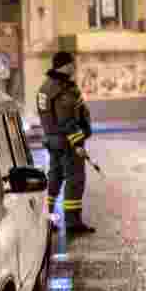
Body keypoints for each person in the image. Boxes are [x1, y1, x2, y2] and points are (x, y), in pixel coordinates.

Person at [36, 51, 95, 234]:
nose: (74, 67)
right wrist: (78, 144)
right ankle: (72, 222)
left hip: (53, 141)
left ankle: (46, 220)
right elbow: (67, 120)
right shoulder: (62, 88)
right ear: (66, 65)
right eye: (72, 64)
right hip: (67, 143)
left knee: (54, 180)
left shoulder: (45, 87)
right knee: (75, 180)